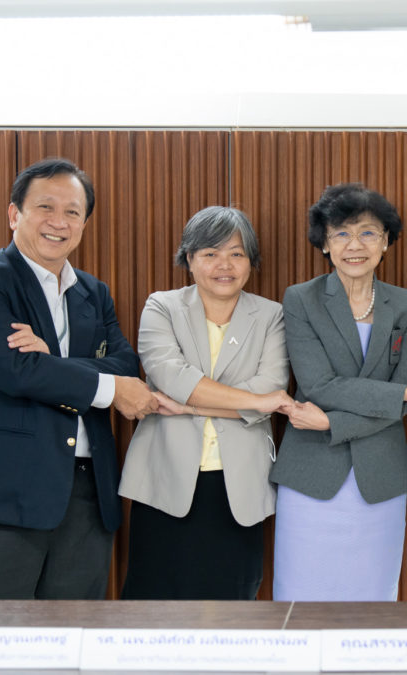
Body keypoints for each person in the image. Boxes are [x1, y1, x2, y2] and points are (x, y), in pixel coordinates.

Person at [0, 157, 159, 599]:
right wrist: (107, 386)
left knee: (75, 635)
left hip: (87, 494)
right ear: (14, 214)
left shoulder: (94, 293)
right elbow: (16, 372)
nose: (59, 222)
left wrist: (53, 361)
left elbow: (125, 364)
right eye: (45, 207)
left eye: (72, 212)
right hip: (6, 492)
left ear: (84, 223)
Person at [270, 183, 407, 601]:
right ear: (325, 244)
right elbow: (319, 385)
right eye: (342, 234)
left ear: (385, 241)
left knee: (373, 600)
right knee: (302, 596)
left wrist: (331, 422)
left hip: (380, 475)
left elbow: (401, 400)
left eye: (368, 232)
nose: (355, 245)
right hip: (311, 475)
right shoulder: (302, 299)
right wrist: (405, 395)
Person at [118, 206, 293, 599]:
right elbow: (173, 378)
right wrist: (255, 401)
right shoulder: (162, 306)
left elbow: (271, 387)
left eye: (236, 253)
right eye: (210, 253)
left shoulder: (272, 316)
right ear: (189, 258)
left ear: (251, 261)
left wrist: (188, 407)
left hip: (239, 485)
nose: (224, 265)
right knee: (153, 604)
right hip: (165, 479)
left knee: (232, 607)